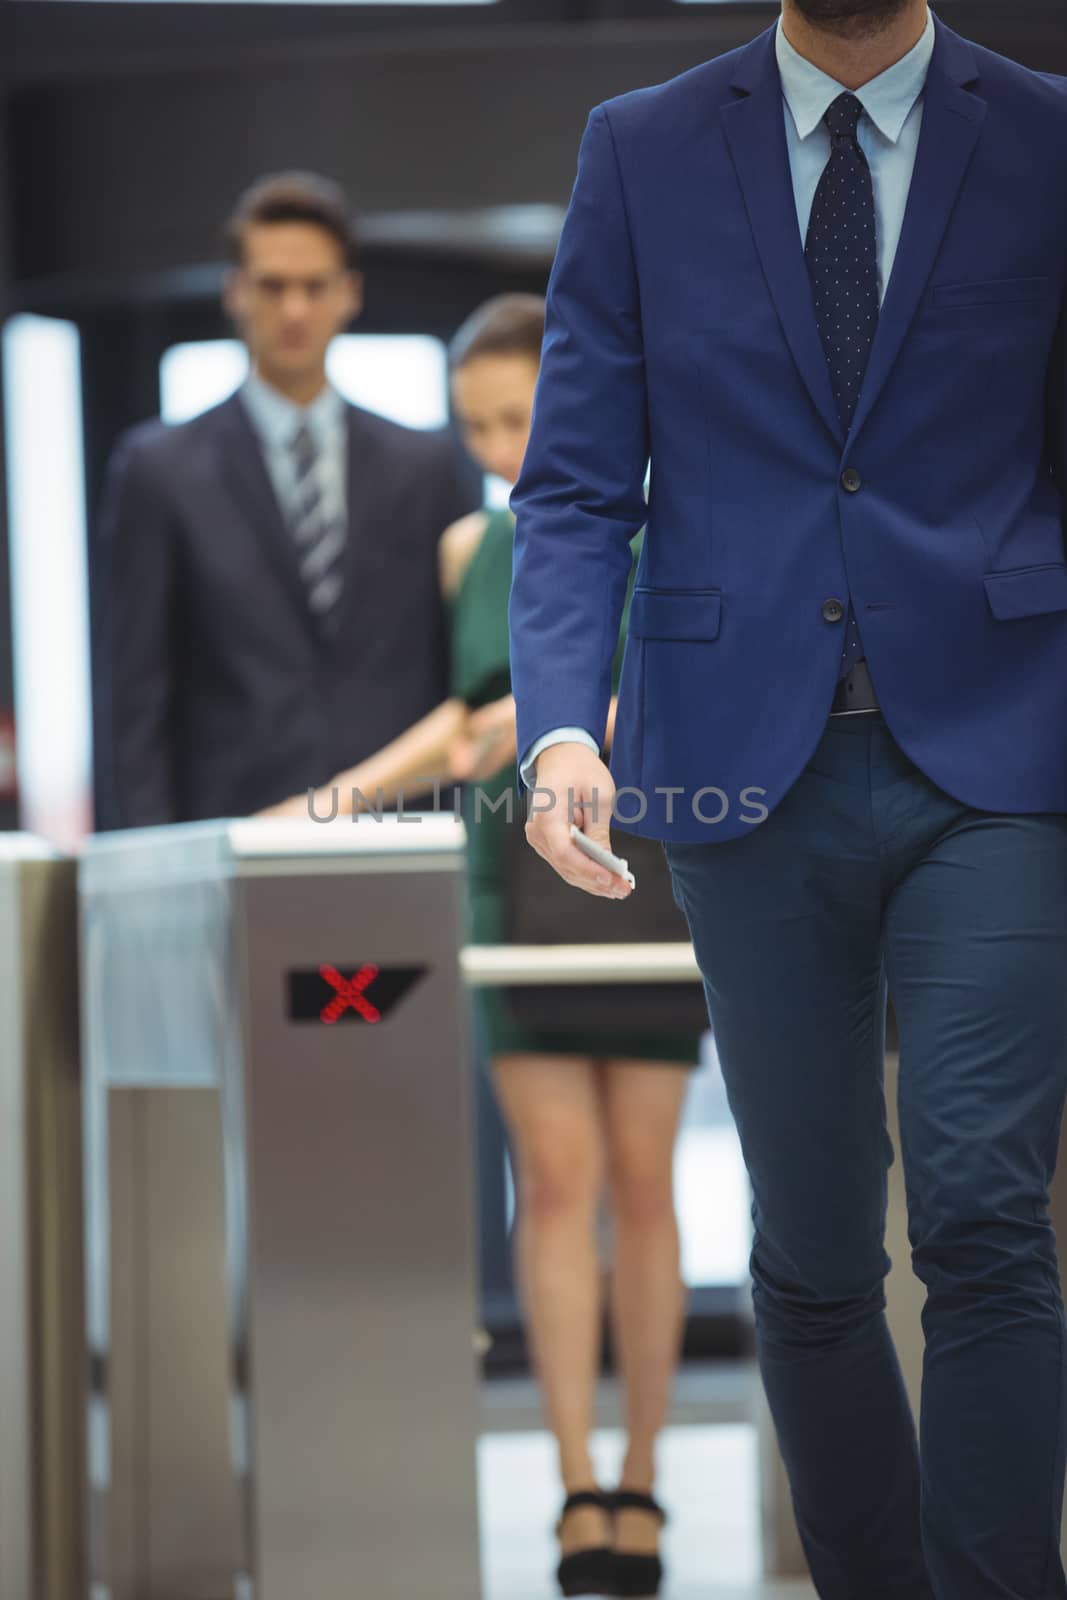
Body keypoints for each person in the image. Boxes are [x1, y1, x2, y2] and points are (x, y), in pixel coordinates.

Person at [509, 3, 1067, 1597]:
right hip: (734, 761)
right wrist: (559, 728)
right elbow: (569, 484)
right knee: (812, 1254)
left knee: (980, 1208)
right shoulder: (640, 146)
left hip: (1006, 750)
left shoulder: (1035, 131)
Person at [271, 295, 702, 1598]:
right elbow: (467, 732)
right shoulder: (472, 546)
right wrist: (325, 803)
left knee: (641, 1180)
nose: (503, 449)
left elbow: (624, 702)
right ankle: (575, 1485)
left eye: (521, 419)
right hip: (503, 881)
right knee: (554, 1179)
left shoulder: (669, 535)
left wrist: (581, 715)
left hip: (649, 874)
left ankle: (643, 1477)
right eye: (478, 427)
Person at [91, 171, 475, 826]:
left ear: (348, 293)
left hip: (408, 826)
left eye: (314, 286)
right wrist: (153, 878)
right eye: (272, 286)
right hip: (234, 830)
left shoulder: (428, 465)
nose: (294, 308)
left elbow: (463, 675)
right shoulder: (159, 471)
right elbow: (135, 700)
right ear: (234, 293)